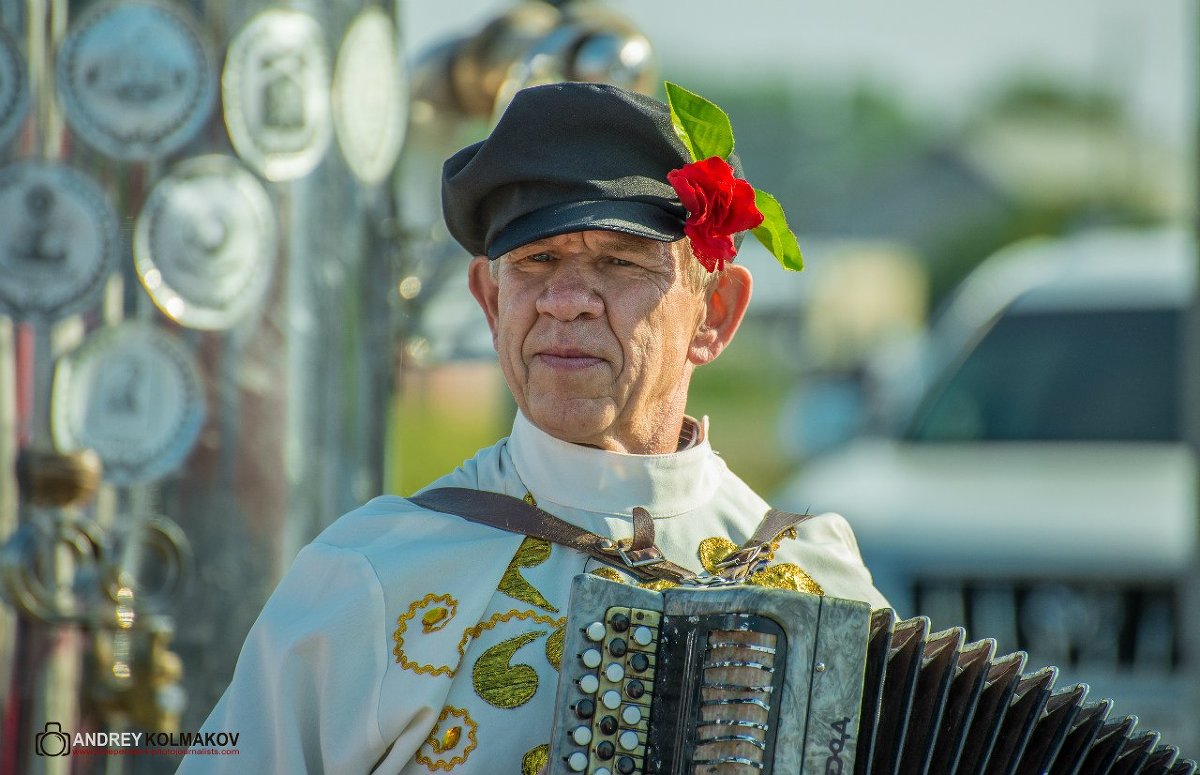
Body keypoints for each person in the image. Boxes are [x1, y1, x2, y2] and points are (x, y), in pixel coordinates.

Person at [178, 81, 887, 774]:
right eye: (536, 260)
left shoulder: (822, 582)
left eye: (618, 261)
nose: (567, 299)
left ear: (715, 314)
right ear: (491, 301)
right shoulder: (368, 580)